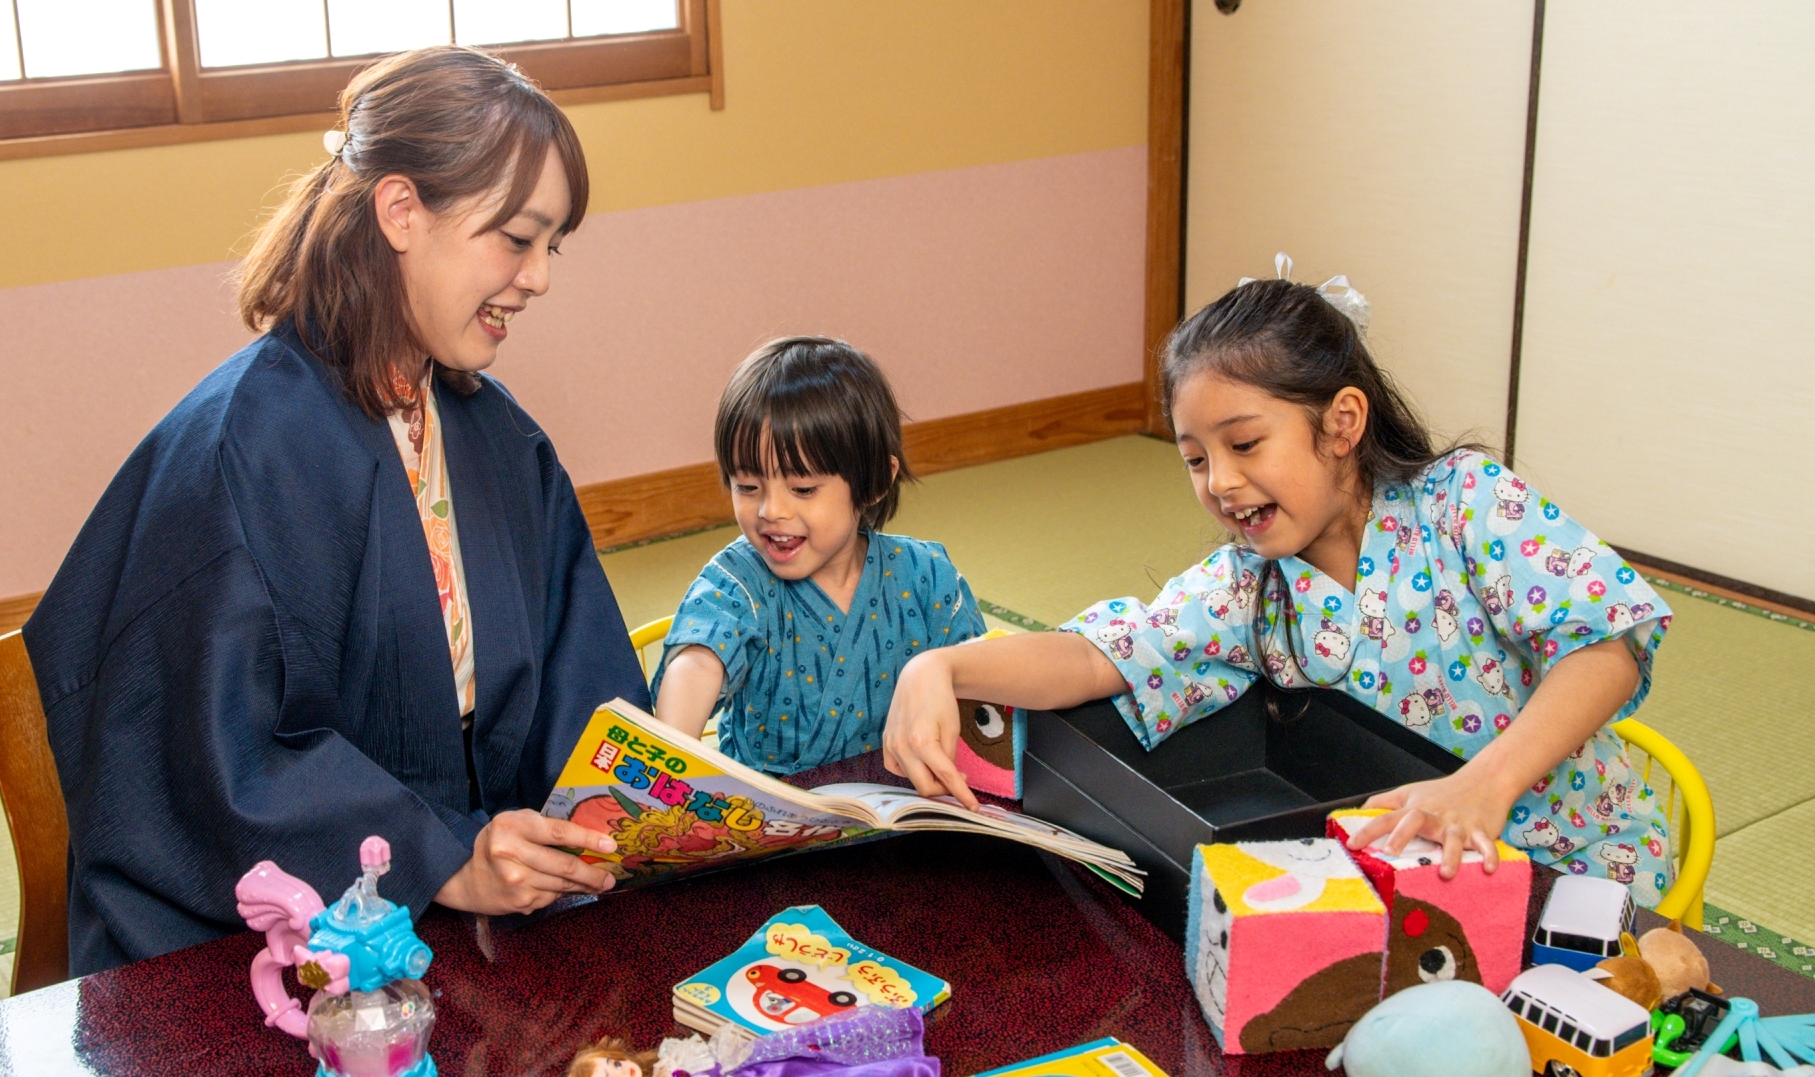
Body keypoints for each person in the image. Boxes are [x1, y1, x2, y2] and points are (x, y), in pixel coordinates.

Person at [24, 46, 645, 974]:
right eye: (516, 239)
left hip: (473, 900)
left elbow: (576, 669)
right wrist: (444, 860)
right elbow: (215, 757)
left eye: (551, 246)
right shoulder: (246, 446)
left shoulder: (498, 437)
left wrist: (595, 815)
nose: (540, 277)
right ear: (402, 211)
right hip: (281, 936)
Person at [880, 268, 1675, 902]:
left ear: (1341, 423)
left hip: (1573, 866)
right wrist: (942, 666)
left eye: (1246, 443)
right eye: (1195, 458)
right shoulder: (1247, 586)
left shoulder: (1465, 502)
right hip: (1411, 885)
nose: (1220, 482)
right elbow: (1098, 657)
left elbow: (1607, 645)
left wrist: (1482, 783)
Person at [651, 337, 986, 774]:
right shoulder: (738, 581)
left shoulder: (927, 576)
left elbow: (983, 687)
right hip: (773, 825)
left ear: (874, 482)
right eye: (747, 486)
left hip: (905, 812)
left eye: (803, 489)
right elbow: (699, 659)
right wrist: (670, 753)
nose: (772, 511)